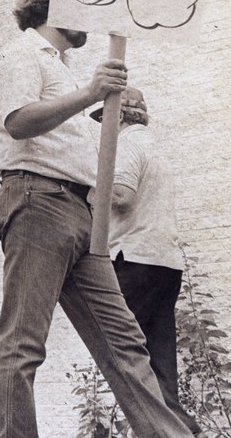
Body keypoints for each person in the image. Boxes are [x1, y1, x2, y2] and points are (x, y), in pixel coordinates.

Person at [0, 0, 194, 438]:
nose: (94, 22)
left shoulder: (58, 66)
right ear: (56, 6)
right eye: (87, 7)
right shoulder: (19, 53)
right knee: (23, 344)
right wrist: (90, 95)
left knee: (124, 342)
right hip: (38, 200)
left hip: (79, 214)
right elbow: (18, 121)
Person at [102, 88, 201, 434]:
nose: (103, 128)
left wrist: (84, 189)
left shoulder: (127, 143)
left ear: (119, 117)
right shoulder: (157, 148)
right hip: (166, 264)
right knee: (160, 363)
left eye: (103, 120)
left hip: (134, 260)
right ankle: (181, 429)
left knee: (121, 356)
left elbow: (122, 195)